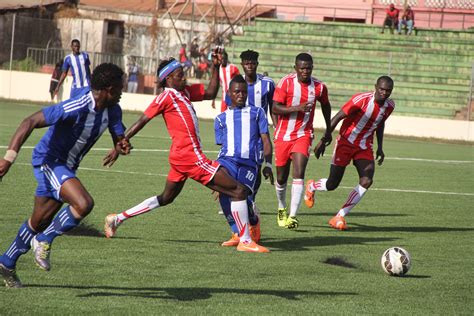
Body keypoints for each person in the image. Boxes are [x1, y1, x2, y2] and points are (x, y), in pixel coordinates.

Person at [102, 52, 270, 253]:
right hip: (189, 157)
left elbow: (209, 92)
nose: (185, 78)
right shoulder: (166, 96)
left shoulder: (185, 93)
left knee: (166, 198)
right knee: (239, 190)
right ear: (168, 79)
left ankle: (116, 219)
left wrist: (215, 67)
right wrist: (118, 144)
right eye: (180, 75)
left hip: (181, 158)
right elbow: (142, 120)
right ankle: (244, 240)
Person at [0, 63, 131, 288]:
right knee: (83, 203)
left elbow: (118, 136)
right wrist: (8, 159)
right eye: (120, 88)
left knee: (38, 221)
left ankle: (6, 262)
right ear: (109, 89)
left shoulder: (113, 110)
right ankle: (44, 239)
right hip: (49, 162)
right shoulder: (77, 105)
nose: (122, 93)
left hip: (67, 167)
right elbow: (29, 121)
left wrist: (121, 145)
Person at [304, 76, 395, 230]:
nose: (384, 93)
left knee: (366, 180)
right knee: (332, 184)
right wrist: (324, 140)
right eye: (381, 89)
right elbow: (337, 117)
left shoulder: (390, 106)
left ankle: (339, 216)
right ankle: (312, 185)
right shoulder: (361, 100)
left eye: (388, 91)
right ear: (375, 87)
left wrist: (380, 146)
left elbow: (380, 124)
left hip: (364, 146)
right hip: (345, 143)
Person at [271, 53, 332, 229]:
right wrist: (297, 108)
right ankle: (282, 207)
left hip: (303, 134)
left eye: (309, 68)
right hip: (283, 136)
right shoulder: (286, 83)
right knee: (281, 178)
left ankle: (292, 216)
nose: (306, 71)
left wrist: (328, 130)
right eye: (302, 68)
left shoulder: (319, 87)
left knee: (299, 173)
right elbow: (275, 108)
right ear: (296, 68)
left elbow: (326, 106)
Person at [215, 75, 274, 246]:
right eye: (237, 92)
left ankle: (253, 220)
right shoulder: (220, 119)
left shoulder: (257, 113)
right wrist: (217, 172)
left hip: (250, 164)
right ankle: (236, 233)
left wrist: (268, 164)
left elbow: (266, 140)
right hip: (227, 161)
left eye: (243, 92)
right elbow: (223, 147)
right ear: (229, 94)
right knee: (224, 197)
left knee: (240, 194)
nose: (241, 95)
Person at [223, 50, 276, 215]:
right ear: (242, 65)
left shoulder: (267, 83)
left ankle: (250, 199)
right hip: (240, 132)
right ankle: (237, 197)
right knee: (236, 165)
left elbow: (273, 106)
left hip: (259, 133)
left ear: (257, 64)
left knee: (256, 166)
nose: (250, 66)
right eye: (246, 63)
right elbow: (228, 106)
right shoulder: (236, 84)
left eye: (252, 63)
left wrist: (276, 125)